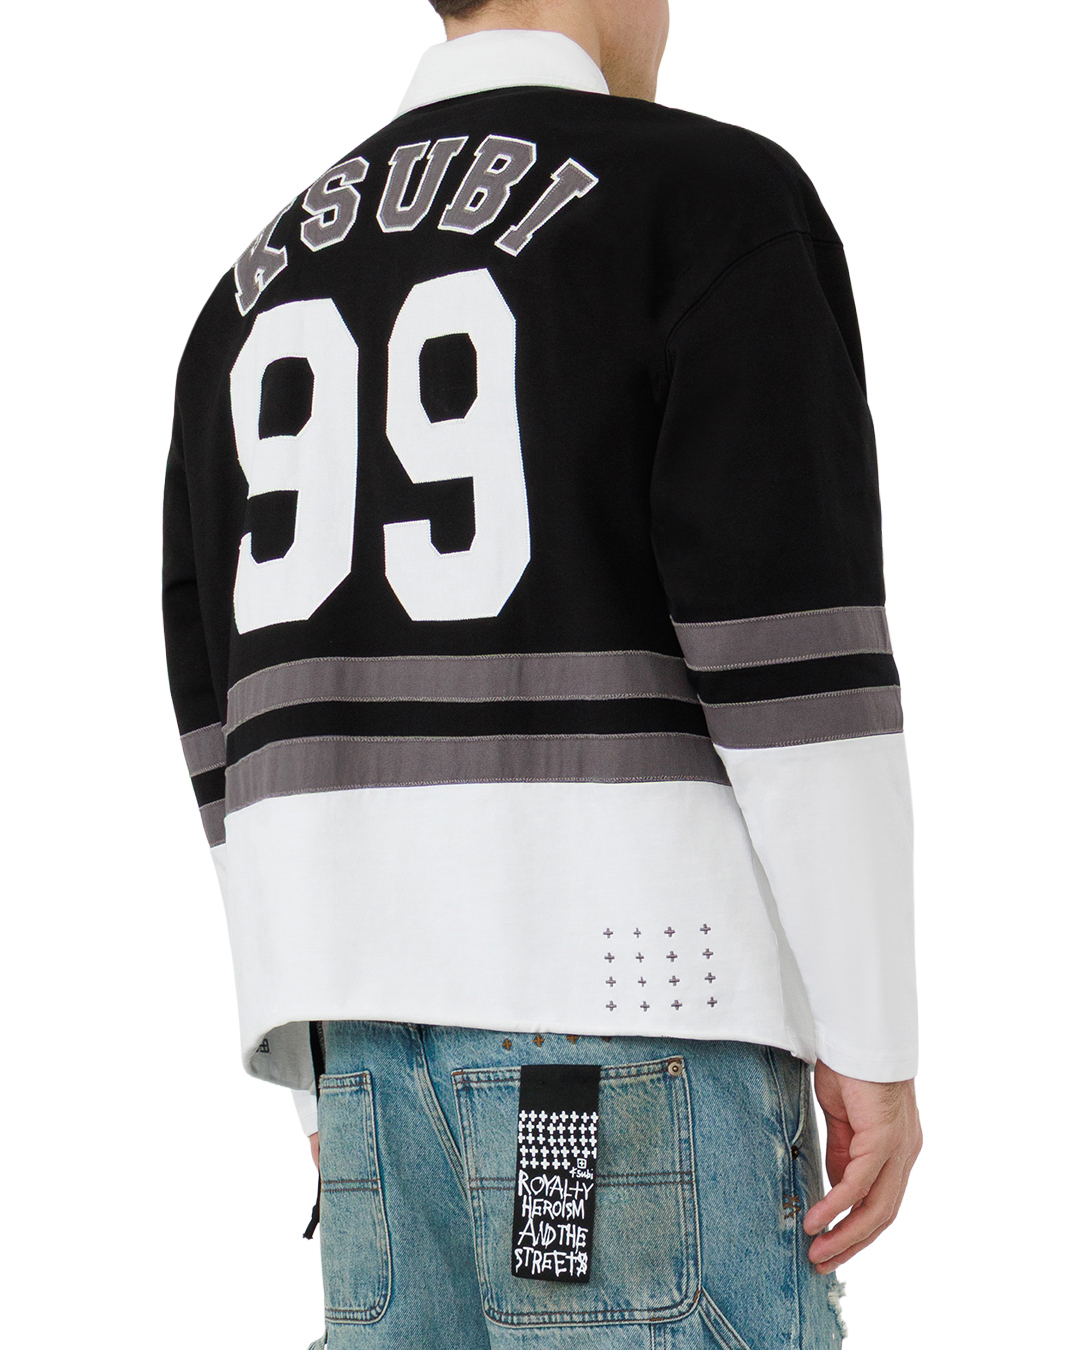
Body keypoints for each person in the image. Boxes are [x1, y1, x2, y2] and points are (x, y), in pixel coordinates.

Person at [162, 0, 922, 1344]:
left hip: (361, 1059)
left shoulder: (246, 293)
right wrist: (872, 1036)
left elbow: (220, 713)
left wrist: (313, 1050)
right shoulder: (703, 201)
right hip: (629, 1029)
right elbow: (798, 665)